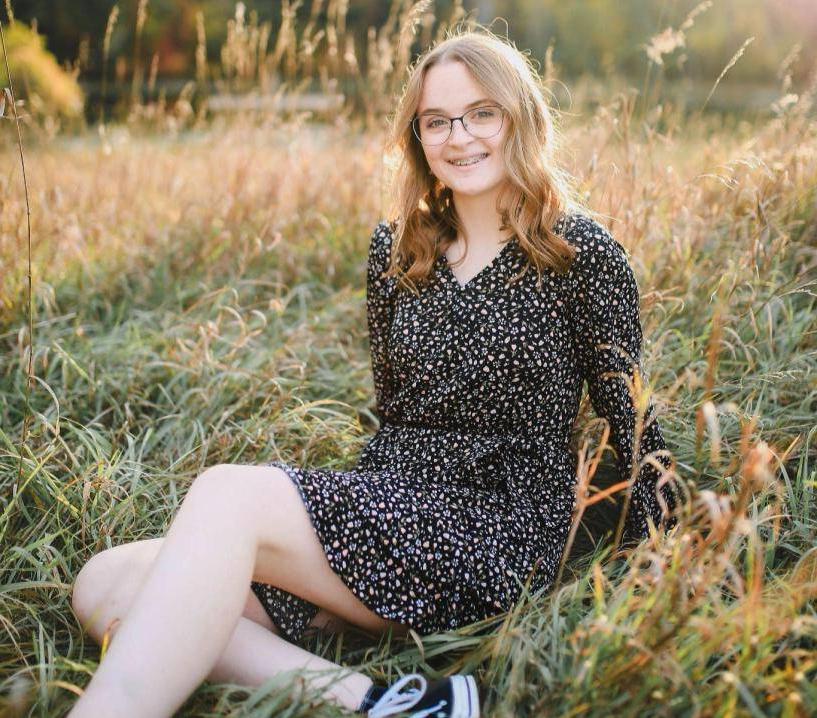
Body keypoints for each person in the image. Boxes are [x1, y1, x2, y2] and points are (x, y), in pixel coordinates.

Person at [68, 27, 679, 718]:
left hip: (495, 529)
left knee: (229, 497)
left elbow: (631, 419)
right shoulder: (397, 247)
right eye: (436, 120)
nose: (460, 136)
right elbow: (392, 409)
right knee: (108, 582)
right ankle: (397, 703)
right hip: (389, 504)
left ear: (521, 118)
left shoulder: (580, 253)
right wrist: (343, 522)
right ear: (416, 136)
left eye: (483, 113)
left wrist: (649, 572)